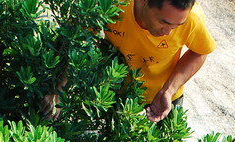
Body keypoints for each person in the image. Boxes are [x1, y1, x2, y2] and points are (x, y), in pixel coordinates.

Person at [44, 0, 216, 122]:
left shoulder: (192, 18)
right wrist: (58, 90)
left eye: (177, 26)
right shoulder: (114, 4)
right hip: (112, 88)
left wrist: (168, 90)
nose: (168, 32)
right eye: (163, 22)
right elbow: (78, 38)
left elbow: (200, 52)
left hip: (162, 99)